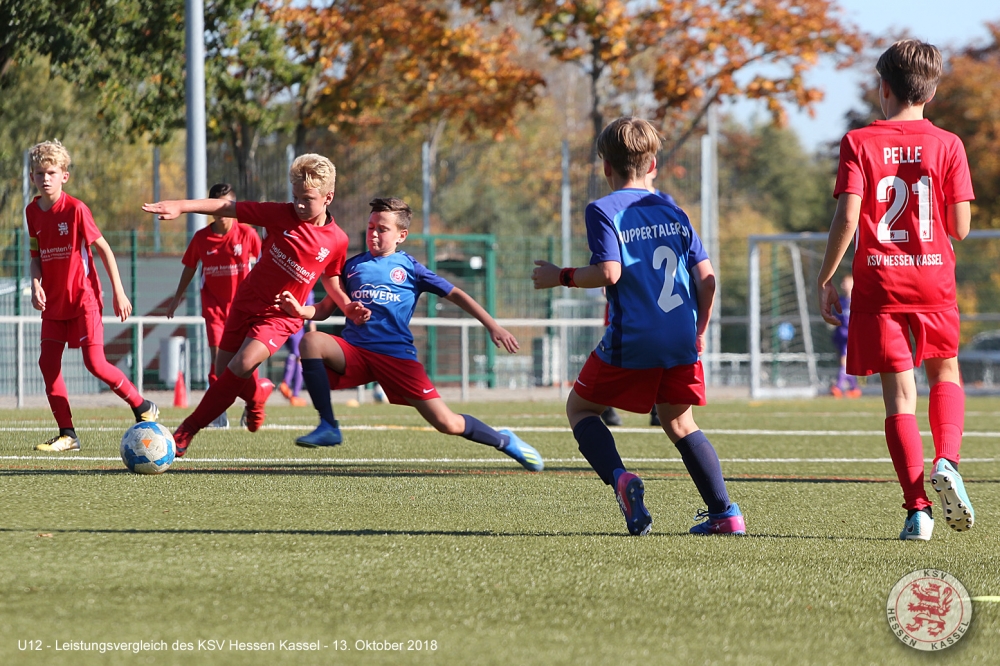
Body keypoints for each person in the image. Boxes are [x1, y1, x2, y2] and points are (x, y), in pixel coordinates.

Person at [532, 117, 744, 536]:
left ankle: (621, 478)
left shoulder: (603, 209)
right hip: (681, 334)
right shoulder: (673, 210)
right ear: (653, 165)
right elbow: (707, 279)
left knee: (580, 409)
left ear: (606, 167)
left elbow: (608, 272)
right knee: (679, 422)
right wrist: (699, 329)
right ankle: (725, 513)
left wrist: (561, 276)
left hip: (635, 334)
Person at [817, 40, 974, 541]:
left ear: (883, 88)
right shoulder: (949, 144)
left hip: (880, 282)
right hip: (933, 278)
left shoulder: (858, 142)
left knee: (899, 398)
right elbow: (961, 228)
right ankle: (947, 460)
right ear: (932, 91)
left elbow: (847, 217)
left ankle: (918, 511)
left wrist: (826, 278)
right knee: (945, 371)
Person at [279, 197, 543, 472]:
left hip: (396, 358)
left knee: (447, 423)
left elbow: (456, 294)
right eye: (370, 227)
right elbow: (324, 309)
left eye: (382, 229)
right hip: (356, 352)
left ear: (401, 235)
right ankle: (328, 425)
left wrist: (492, 325)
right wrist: (301, 310)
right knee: (312, 341)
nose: (374, 234)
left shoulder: (410, 268)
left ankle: (504, 440)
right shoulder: (352, 266)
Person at [142, 153, 349, 456]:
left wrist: (337, 307)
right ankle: (256, 395)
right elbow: (227, 207)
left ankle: (185, 432)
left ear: (328, 197)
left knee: (240, 365)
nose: (299, 205)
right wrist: (181, 206)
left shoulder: (338, 241)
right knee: (223, 371)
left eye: (307, 199)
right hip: (245, 302)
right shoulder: (280, 214)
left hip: (279, 317)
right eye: (295, 197)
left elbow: (332, 283)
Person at [26, 140, 159, 451]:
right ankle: (67, 434)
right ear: (32, 177)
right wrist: (35, 284)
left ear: (64, 176)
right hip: (54, 304)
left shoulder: (76, 209)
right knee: (47, 364)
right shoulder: (32, 212)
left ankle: (142, 405)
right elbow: (36, 256)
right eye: (39, 173)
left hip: (83, 299)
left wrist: (119, 292)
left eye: (51, 172)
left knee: (96, 364)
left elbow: (104, 249)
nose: (45, 178)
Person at [166, 183, 262, 428]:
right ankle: (219, 412)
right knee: (218, 361)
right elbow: (190, 268)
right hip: (215, 311)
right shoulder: (201, 238)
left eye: (226, 206)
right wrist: (177, 297)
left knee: (247, 361)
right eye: (217, 207)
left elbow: (264, 265)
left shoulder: (248, 234)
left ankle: (252, 404)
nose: (222, 213)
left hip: (245, 310)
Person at [278, 291, 316, 407]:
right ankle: (293, 392)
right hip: (295, 326)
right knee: (299, 358)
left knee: (294, 355)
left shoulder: (290, 287)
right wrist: (313, 333)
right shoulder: (308, 291)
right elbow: (311, 314)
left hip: (282, 324)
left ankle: (287, 385)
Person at [829, 275, 860, 398]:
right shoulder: (840, 301)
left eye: (846, 283)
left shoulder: (858, 300)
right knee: (845, 363)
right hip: (841, 337)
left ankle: (838, 387)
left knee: (844, 362)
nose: (843, 285)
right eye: (842, 283)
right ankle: (854, 388)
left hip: (852, 337)